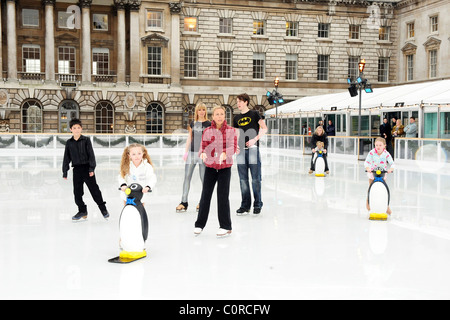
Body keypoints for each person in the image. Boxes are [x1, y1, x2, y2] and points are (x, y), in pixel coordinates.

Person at [194, 106, 238, 237]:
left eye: (222, 114)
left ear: (225, 116)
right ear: (212, 116)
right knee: (205, 196)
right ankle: (199, 224)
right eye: (217, 114)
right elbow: (203, 146)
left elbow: (233, 147)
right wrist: (202, 153)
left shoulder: (231, 131)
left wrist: (226, 153)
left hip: (225, 167)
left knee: (223, 196)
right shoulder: (207, 130)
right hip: (211, 167)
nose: (219, 116)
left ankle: (225, 226)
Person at [62, 118, 109, 221]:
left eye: (78, 127)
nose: (77, 130)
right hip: (77, 170)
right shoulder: (69, 143)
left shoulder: (86, 140)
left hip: (87, 169)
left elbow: (91, 155)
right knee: (77, 193)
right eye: (74, 128)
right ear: (71, 129)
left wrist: (92, 168)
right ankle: (82, 210)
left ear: (81, 129)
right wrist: (65, 171)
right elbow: (66, 157)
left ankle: (103, 209)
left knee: (94, 190)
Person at [233, 93, 267, 215]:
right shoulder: (236, 118)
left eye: (240, 101)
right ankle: (245, 205)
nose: (238, 104)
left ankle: (257, 204)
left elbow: (264, 128)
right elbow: (236, 134)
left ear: (246, 102)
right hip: (241, 151)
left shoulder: (254, 114)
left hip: (253, 149)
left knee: (255, 179)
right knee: (243, 179)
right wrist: (236, 145)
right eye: (237, 102)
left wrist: (255, 139)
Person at [176, 103, 211, 212]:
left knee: (203, 179)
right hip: (192, 153)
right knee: (187, 177)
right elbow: (189, 138)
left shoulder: (209, 124)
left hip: (203, 154)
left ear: (205, 111)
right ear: (196, 111)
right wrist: (186, 152)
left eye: (203, 110)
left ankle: (203, 202)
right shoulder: (193, 123)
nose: (201, 112)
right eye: (199, 110)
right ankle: (184, 202)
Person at [364, 137, 395, 215]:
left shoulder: (386, 154)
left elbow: (392, 163)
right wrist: (367, 167)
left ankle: (386, 207)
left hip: (382, 173)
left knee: (384, 189)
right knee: (370, 187)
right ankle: (368, 202)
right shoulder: (372, 152)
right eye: (376, 145)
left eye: (380, 145)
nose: (378, 147)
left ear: (384, 145)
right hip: (372, 173)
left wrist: (391, 168)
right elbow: (366, 162)